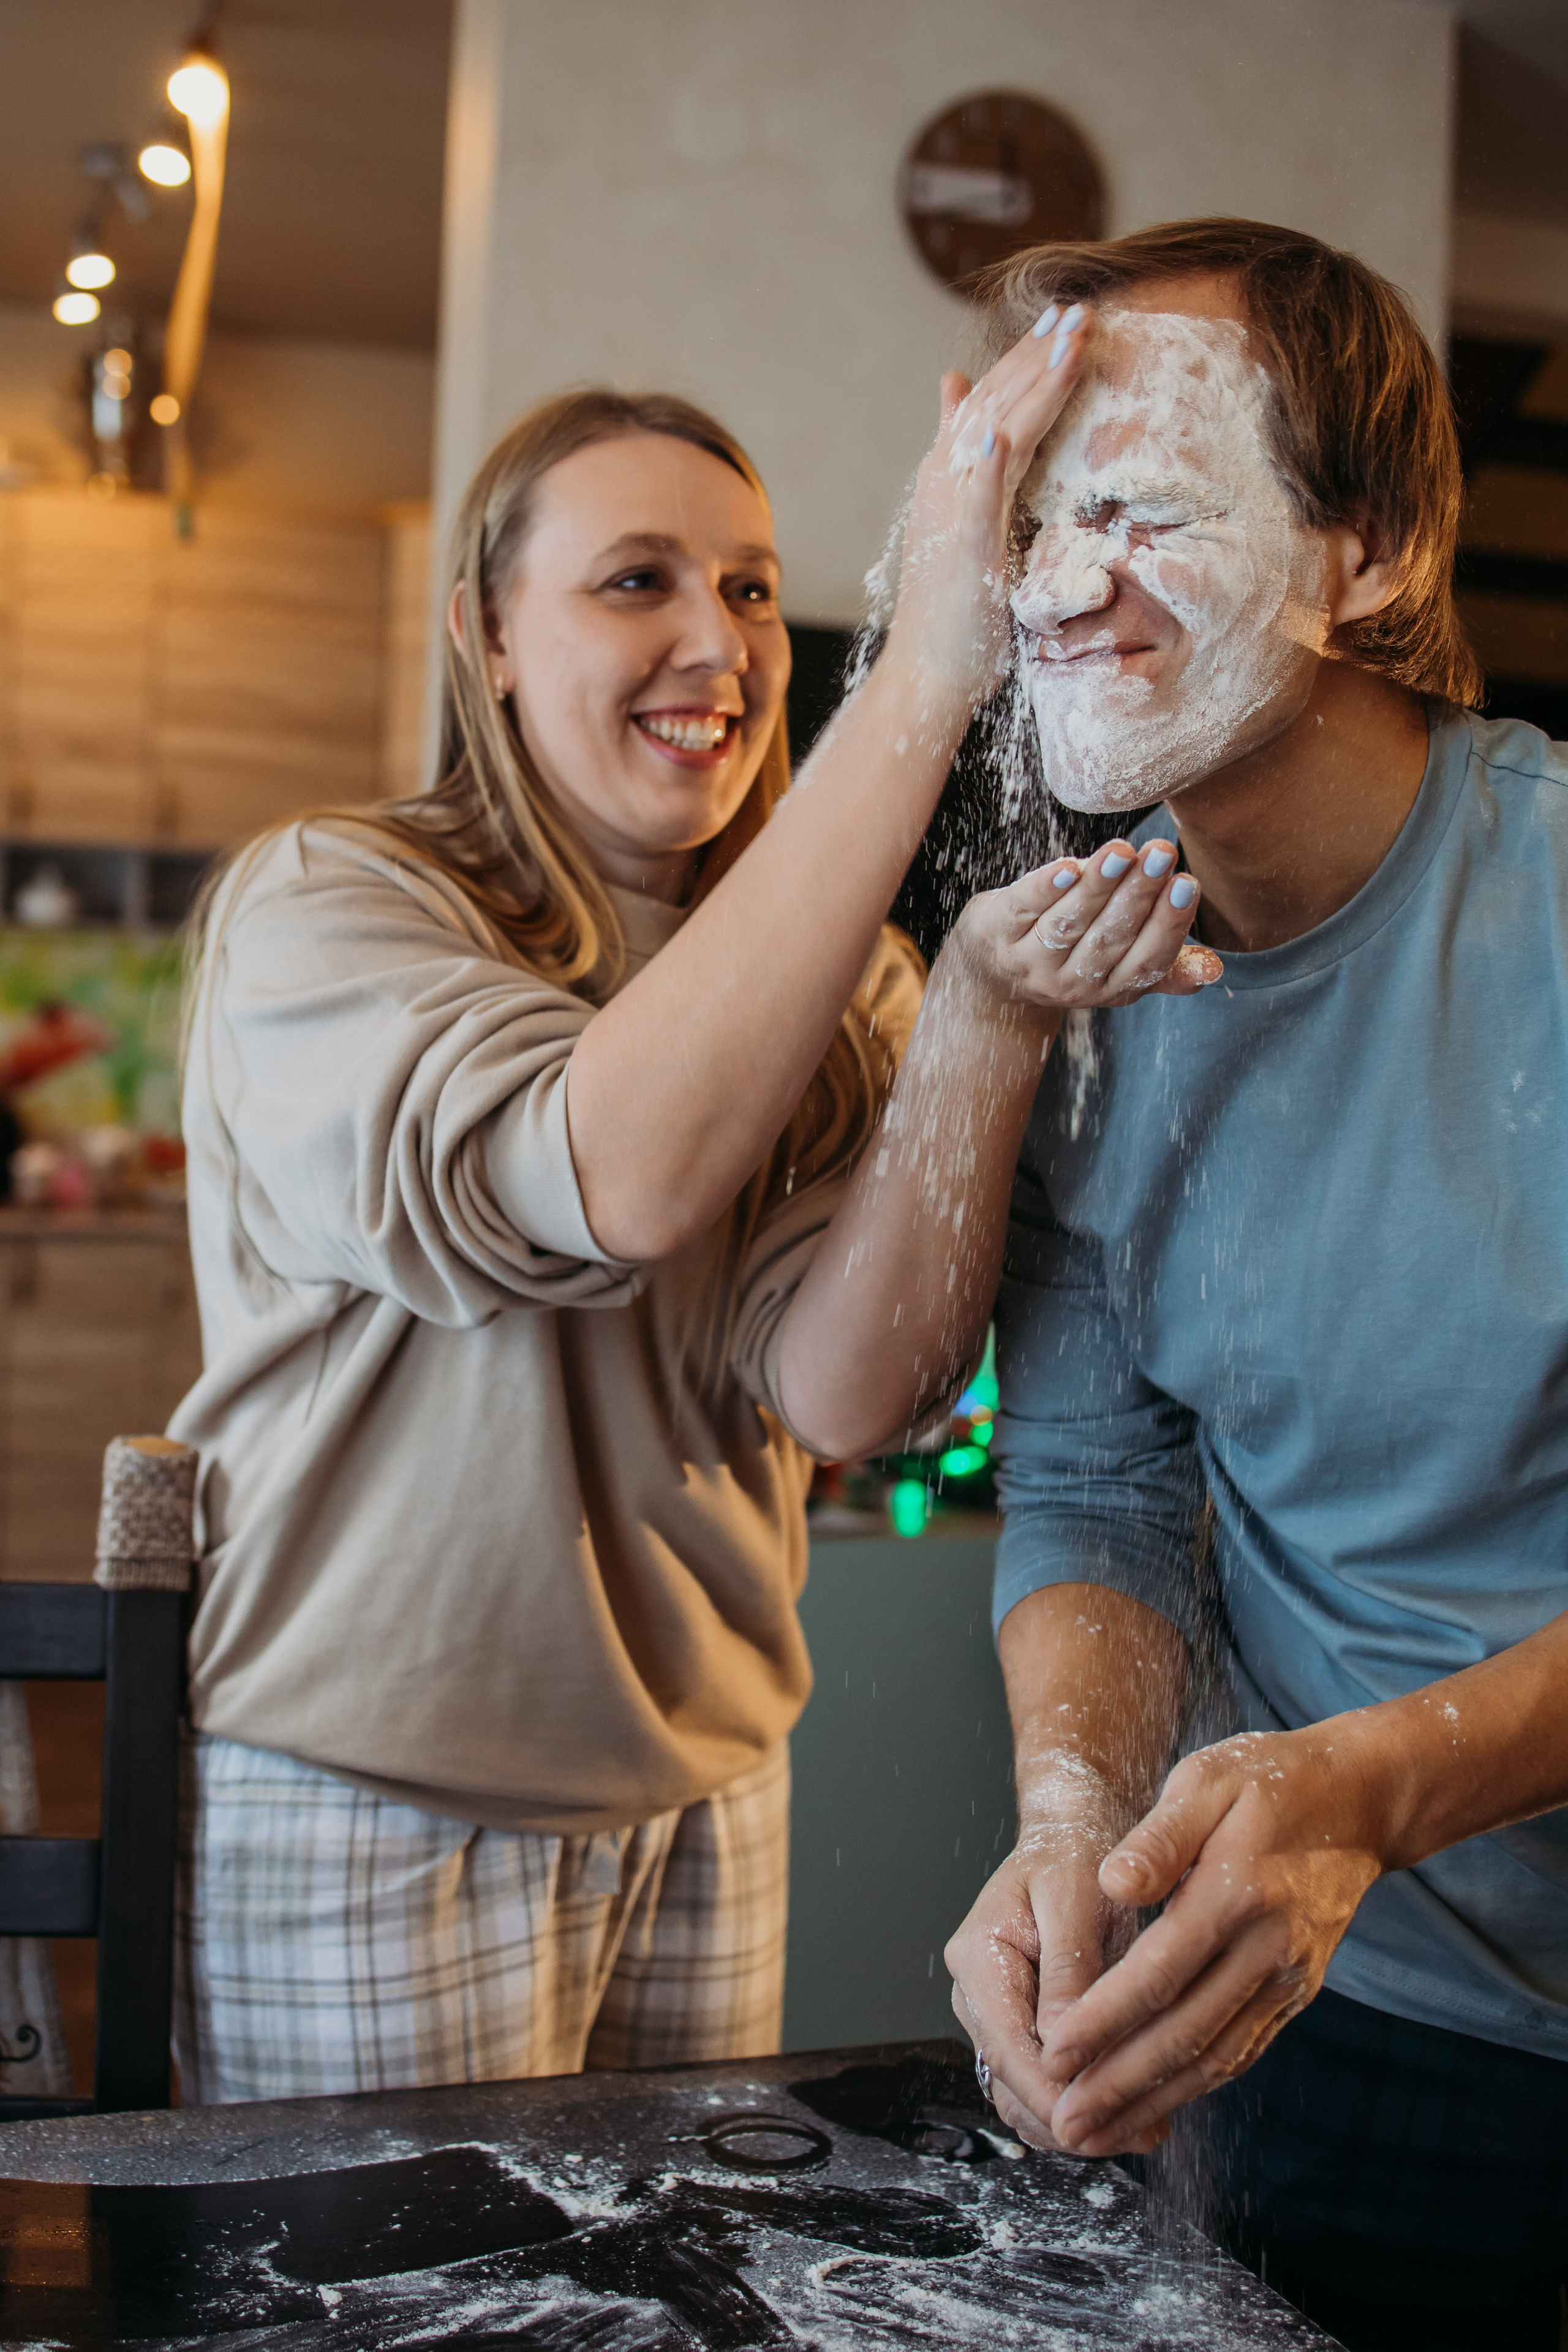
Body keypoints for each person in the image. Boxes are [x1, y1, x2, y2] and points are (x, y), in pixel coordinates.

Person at [170, 352, 1213, 2103]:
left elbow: (847, 1395)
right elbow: (612, 1177)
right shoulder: (330, 905)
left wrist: (973, 1013)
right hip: (358, 1800)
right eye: (634, 579)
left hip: (710, 1796)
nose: (719, 644)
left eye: (746, 587)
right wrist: (930, 676)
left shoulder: (852, 988)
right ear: (488, 635)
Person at [876, 218, 1568, 2352]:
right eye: (1035, 511)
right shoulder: (1088, 969)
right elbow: (1090, 1485)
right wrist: (1075, 1817)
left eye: (1145, 505)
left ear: (1361, 553)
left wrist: (1374, 1787)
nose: (1060, 580)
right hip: (1288, 2012)